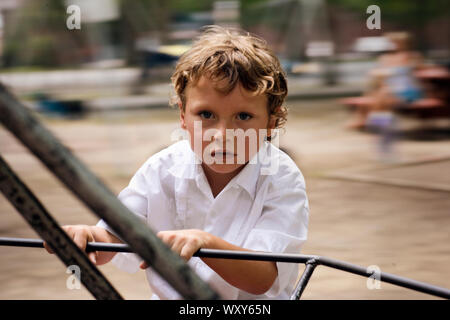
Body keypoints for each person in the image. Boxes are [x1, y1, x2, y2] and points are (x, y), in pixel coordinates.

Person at [44, 25, 309, 300]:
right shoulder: (161, 168)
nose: (222, 135)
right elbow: (116, 237)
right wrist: (88, 237)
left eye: (243, 117)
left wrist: (204, 242)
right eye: (206, 114)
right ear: (183, 115)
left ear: (271, 121)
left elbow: (262, 278)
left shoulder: (281, 178)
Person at [346, 32, 425, 130]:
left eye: (396, 42)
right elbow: (377, 74)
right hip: (390, 89)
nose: (393, 45)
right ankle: (369, 121)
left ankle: (377, 124)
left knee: (382, 95)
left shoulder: (412, 56)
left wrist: (388, 72)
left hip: (408, 90)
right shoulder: (385, 58)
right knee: (377, 95)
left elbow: (414, 70)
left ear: (405, 43)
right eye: (391, 42)